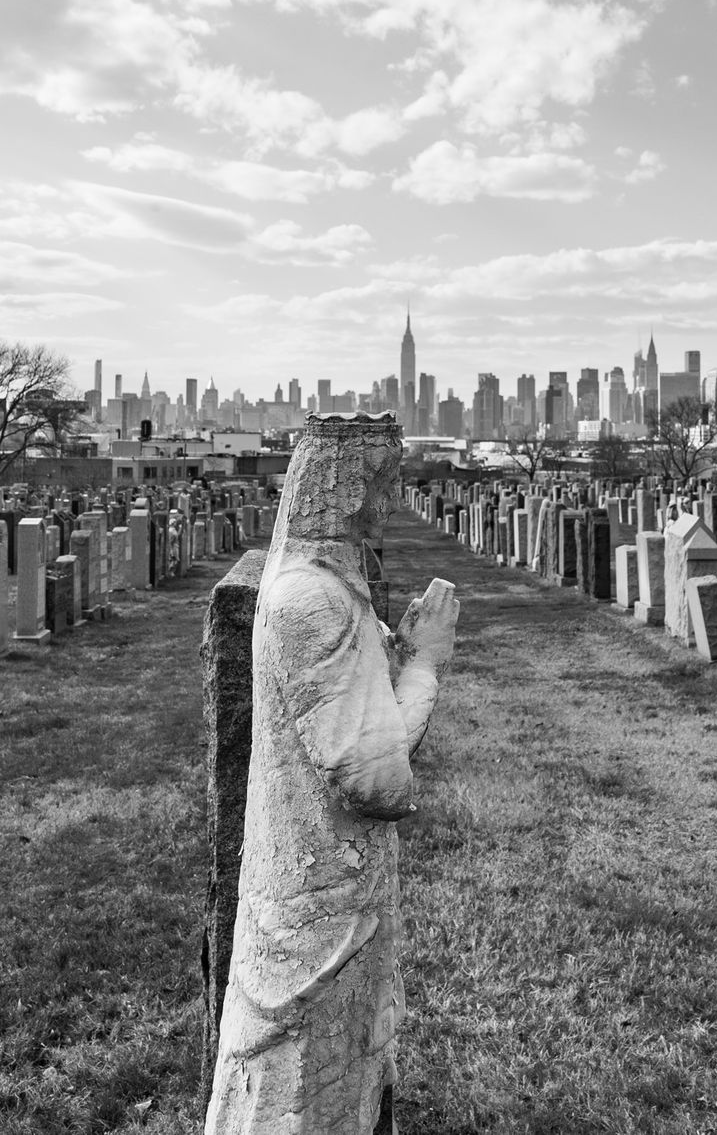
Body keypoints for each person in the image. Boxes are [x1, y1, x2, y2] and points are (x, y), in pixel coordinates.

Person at [207, 413, 458, 1135]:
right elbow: (377, 777)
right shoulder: (312, 604)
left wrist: (400, 654)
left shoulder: (323, 590)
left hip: (331, 908)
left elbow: (361, 717)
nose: (389, 501)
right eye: (382, 484)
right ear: (345, 490)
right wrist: (429, 662)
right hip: (317, 928)